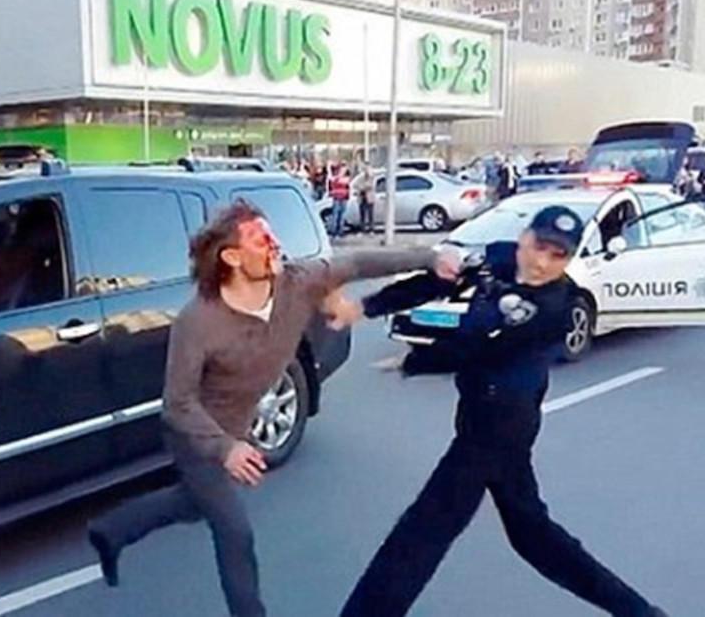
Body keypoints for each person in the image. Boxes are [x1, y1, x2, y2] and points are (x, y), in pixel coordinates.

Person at [87, 201, 454, 617]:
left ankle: (110, 530)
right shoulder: (199, 321)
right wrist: (225, 448)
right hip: (199, 435)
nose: (275, 244)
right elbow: (178, 404)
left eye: (272, 234)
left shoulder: (297, 282)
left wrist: (430, 256)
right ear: (231, 257)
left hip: (239, 425)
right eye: (260, 239)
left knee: (192, 506)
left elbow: (358, 261)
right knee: (234, 533)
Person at [327, 206, 667, 617]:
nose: (543, 261)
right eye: (539, 246)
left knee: (422, 531)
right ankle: (641, 613)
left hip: (501, 424)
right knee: (533, 537)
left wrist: (414, 361)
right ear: (524, 237)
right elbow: (434, 283)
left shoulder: (554, 308)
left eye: (558, 254)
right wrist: (363, 308)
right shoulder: (500, 259)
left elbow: (482, 347)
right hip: (481, 412)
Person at [328, 163, 351, 238]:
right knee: (336, 214)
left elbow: (347, 185)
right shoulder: (334, 177)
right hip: (337, 197)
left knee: (342, 215)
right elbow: (332, 183)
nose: (344, 171)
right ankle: (334, 231)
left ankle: (340, 231)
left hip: (343, 197)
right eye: (343, 169)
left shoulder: (344, 178)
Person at [356, 161, 376, 234]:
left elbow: (370, 185)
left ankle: (371, 229)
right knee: (362, 214)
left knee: (370, 214)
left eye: (366, 167)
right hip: (362, 196)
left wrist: (362, 187)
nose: (365, 169)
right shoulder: (360, 176)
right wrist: (361, 188)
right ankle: (362, 229)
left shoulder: (372, 175)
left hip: (369, 197)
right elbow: (356, 185)